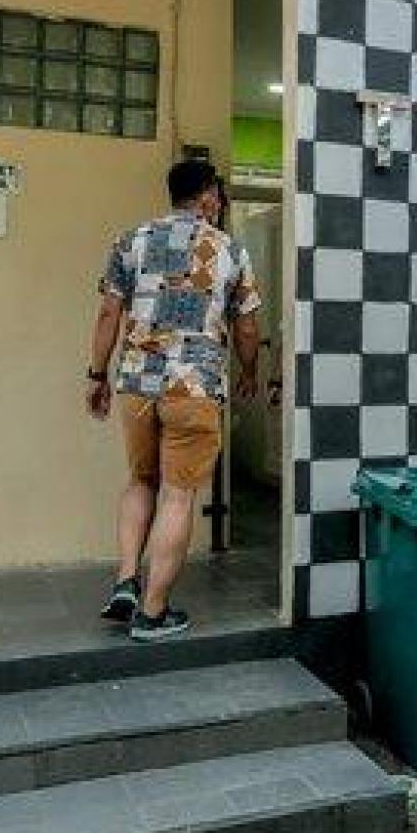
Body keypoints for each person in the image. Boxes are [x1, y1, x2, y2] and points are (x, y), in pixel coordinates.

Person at [85, 159, 261, 640]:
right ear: (206, 196)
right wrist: (249, 370)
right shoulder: (230, 250)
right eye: (217, 195)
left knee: (140, 480)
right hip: (194, 387)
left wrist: (96, 374)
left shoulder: (130, 241)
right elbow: (247, 327)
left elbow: (108, 314)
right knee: (178, 495)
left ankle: (126, 580)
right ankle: (153, 612)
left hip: (137, 384)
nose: (219, 203)